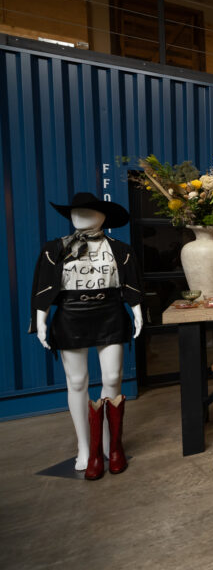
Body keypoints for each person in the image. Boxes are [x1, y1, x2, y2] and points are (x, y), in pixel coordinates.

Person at [30, 192, 143, 480]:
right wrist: (40, 320)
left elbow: (131, 284)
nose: (79, 215)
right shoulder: (55, 248)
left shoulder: (121, 249)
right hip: (71, 314)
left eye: (89, 211)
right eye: (75, 211)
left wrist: (138, 311)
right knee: (77, 382)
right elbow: (43, 287)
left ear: (103, 216)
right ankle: (86, 447)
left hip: (110, 312)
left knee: (112, 378)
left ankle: (110, 445)